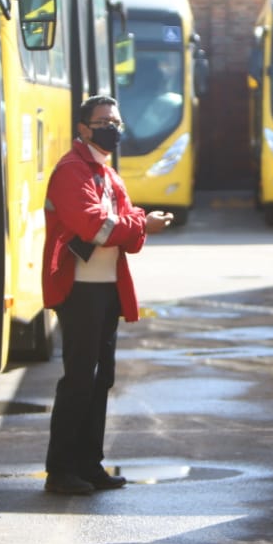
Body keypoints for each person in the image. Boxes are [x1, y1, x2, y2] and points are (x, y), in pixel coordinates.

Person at [41, 95, 173, 494]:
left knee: (101, 380)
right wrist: (141, 223)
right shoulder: (71, 171)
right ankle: (61, 471)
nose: (112, 128)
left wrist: (136, 224)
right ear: (83, 129)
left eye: (115, 121)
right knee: (80, 379)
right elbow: (93, 226)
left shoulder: (109, 175)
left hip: (105, 290)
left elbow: (125, 236)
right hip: (79, 291)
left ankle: (89, 465)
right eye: (103, 122)